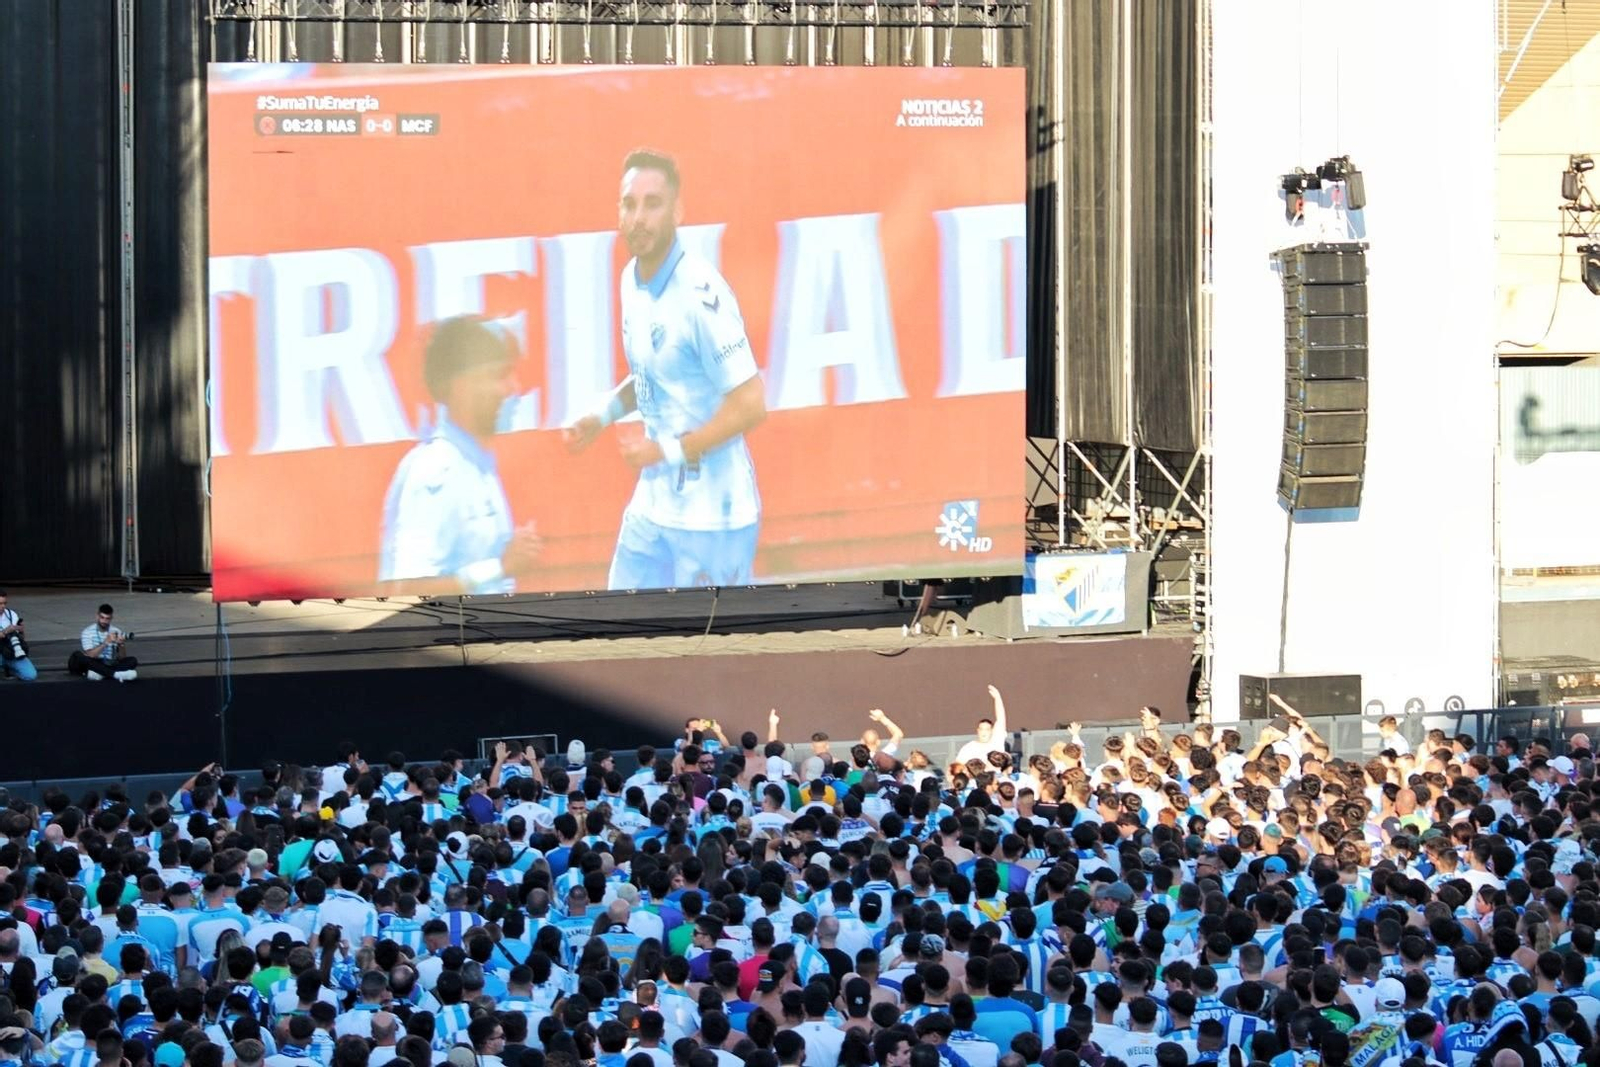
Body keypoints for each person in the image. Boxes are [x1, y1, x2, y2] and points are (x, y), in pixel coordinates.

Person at [564, 148, 767, 590]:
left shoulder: (700, 293)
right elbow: (655, 377)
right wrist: (601, 416)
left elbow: (751, 404)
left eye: (652, 204)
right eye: (629, 204)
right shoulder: (630, 280)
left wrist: (665, 451)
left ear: (677, 211)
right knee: (616, 622)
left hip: (714, 519)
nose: (638, 217)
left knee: (703, 635)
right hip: (654, 507)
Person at [378, 314, 543, 594]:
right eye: (498, 376)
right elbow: (407, 590)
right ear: (461, 386)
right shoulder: (437, 469)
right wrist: (500, 567)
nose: (512, 388)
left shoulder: (476, 467)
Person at [69, 603, 137, 682]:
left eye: (107, 618)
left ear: (111, 618)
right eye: (102, 617)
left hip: (108, 663)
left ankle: (100, 673)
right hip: (94, 662)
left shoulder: (116, 631)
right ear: (97, 616)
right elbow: (91, 655)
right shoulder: (87, 632)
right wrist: (105, 643)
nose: (104, 621)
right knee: (77, 656)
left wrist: (121, 644)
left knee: (133, 660)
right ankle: (115, 675)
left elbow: (122, 658)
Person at [954, 686, 1009, 766]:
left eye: (987, 729)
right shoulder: (969, 748)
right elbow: (957, 766)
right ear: (978, 731)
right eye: (981, 729)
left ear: (992, 731)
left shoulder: (997, 741)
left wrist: (997, 698)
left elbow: (1001, 719)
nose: (984, 732)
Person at [0, 589, 36, 682]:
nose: (3, 606)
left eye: (4, 603)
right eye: (0, 604)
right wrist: (5, 632)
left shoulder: (11, 614)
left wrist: (21, 631)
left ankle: (10, 667)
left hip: (11, 650)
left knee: (30, 675)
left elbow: (21, 638)